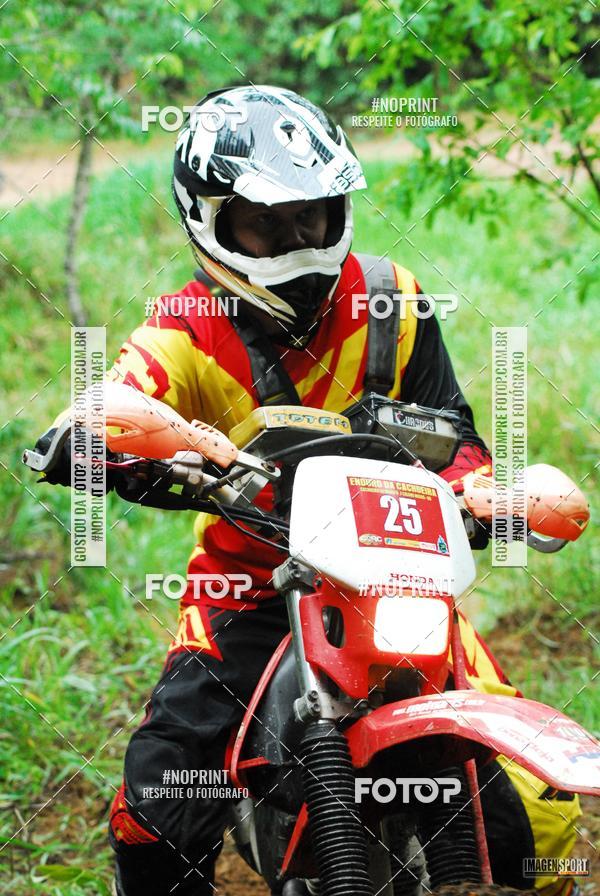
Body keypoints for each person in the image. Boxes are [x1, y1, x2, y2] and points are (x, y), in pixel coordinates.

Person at [35, 85, 581, 896]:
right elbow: (106, 409)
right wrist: (122, 445)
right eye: (267, 222)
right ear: (211, 220)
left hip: (398, 580)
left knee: (528, 816)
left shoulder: (393, 299)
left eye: (311, 216)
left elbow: (457, 433)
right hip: (252, 587)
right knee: (160, 799)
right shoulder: (182, 327)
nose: (296, 241)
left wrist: (478, 496)